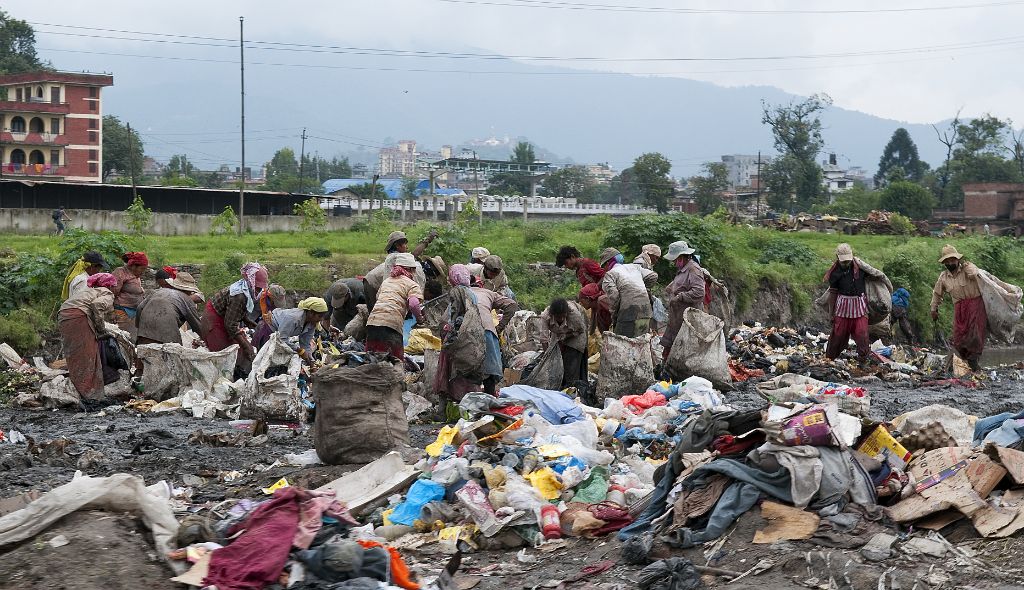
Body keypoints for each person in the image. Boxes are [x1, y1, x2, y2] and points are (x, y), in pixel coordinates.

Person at [822, 243, 890, 363]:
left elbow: (874, 275)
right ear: (837, 258)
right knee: (838, 335)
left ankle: (863, 360)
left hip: (859, 307)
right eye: (843, 262)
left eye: (848, 261)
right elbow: (833, 293)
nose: (846, 263)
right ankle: (829, 359)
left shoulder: (861, 268)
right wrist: (831, 313)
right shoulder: (835, 273)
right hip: (842, 308)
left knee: (862, 334)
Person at [202, 262, 268, 374]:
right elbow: (230, 325)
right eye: (257, 287)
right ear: (251, 282)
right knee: (223, 353)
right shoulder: (239, 295)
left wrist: (246, 320)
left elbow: (235, 311)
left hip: (224, 317)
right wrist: (246, 346)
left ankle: (237, 371)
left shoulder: (245, 288)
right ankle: (222, 377)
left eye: (260, 288)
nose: (258, 290)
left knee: (238, 347)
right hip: (213, 320)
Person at [58, 272, 116, 400]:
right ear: (110, 286)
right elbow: (97, 305)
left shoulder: (87, 292)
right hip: (78, 315)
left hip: (63, 314)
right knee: (88, 354)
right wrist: (101, 330)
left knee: (73, 354)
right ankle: (90, 393)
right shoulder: (107, 292)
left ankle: (76, 389)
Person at [930, 245, 986, 371]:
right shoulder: (943, 277)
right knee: (959, 337)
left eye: (952, 260)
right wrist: (934, 309)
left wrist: (967, 266)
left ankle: (974, 362)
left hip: (975, 305)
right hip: (959, 308)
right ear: (944, 263)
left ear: (957, 260)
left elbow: (974, 274)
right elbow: (937, 294)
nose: (950, 263)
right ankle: (965, 363)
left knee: (975, 335)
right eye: (947, 261)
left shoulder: (967, 269)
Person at [366, 253, 425, 360]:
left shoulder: (386, 281)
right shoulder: (412, 284)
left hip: (372, 322)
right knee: (395, 360)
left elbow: (378, 297)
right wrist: (419, 319)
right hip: (391, 324)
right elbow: (414, 304)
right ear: (411, 269)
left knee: (372, 358)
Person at [469, 272, 518, 394]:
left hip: (467, 331)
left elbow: (445, 320)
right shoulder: (488, 293)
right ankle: (489, 398)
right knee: (489, 371)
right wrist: (500, 327)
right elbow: (512, 305)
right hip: (487, 330)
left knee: (467, 369)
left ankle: (466, 398)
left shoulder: (460, 293)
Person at [363, 230, 436, 310]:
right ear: (397, 245)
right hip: (373, 283)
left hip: (371, 281)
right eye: (405, 244)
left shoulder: (393, 257)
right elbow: (414, 254)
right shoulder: (397, 258)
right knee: (379, 311)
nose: (407, 247)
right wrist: (427, 240)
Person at [661, 241, 706, 359]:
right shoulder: (684, 269)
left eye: (675, 260)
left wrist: (680, 297)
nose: (674, 263)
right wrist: (671, 288)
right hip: (676, 317)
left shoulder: (693, 269)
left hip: (687, 318)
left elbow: (699, 292)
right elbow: (681, 283)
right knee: (671, 349)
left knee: (684, 350)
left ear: (682, 257)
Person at [599, 247, 657, 338]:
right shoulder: (634, 267)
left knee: (622, 343)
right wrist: (643, 288)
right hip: (646, 311)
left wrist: (615, 316)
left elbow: (614, 296)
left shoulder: (610, 275)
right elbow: (653, 276)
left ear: (607, 263)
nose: (604, 269)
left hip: (628, 313)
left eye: (603, 267)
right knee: (641, 341)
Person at [136, 271, 204, 346]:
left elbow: (139, 308)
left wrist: (139, 328)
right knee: (171, 352)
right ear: (188, 290)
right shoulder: (187, 300)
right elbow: (198, 326)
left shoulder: (157, 291)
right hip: (167, 336)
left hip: (144, 334)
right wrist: (208, 342)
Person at [540, 297, 589, 388]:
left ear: (567, 313)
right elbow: (544, 338)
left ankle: (571, 387)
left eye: (564, 316)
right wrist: (547, 356)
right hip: (558, 333)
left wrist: (566, 336)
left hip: (576, 334)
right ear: (553, 315)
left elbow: (580, 330)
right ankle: (560, 385)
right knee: (557, 362)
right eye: (559, 317)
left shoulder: (574, 313)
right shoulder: (546, 316)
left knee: (572, 365)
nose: (562, 319)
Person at [266, 297, 329, 363]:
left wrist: (310, 359)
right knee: (266, 358)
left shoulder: (312, 323)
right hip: (269, 329)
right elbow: (281, 339)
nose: (321, 319)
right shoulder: (293, 318)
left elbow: (305, 343)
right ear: (311, 313)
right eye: (319, 316)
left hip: (279, 335)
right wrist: (299, 350)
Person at [110, 252, 149, 342]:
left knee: (133, 339)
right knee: (124, 339)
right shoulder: (120, 273)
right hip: (122, 312)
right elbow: (111, 293)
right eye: (142, 269)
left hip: (134, 312)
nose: (143, 272)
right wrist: (111, 311)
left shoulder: (135, 275)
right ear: (134, 266)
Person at [251, 284, 288, 350]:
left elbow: (280, 310)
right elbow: (254, 314)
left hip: (272, 322)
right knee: (261, 331)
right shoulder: (261, 298)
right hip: (260, 319)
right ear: (270, 297)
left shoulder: (279, 296)